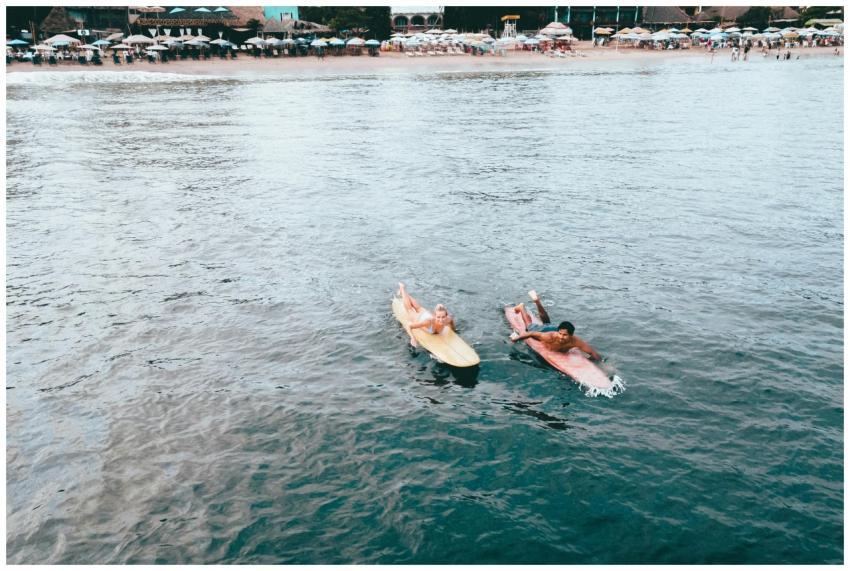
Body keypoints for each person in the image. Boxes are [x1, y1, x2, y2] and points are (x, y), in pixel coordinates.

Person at [509, 290, 602, 361]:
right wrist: (516, 339)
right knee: (529, 326)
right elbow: (531, 334)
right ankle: (522, 307)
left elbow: (592, 352)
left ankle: (537, 302)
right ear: (559, 331)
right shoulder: (548, 337)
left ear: (571, 335)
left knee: (547, 323)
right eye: (561, 334)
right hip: (545, 331)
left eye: (565, 335)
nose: (561, 337)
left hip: (554, 329)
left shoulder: (576, 341)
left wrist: (600, 363)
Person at [397, 283, 456, 347]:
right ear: (434, 316)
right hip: (419, 318)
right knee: (409, 309)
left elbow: (451, 321)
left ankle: (405, 293)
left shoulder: (448, 319)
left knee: (418, 308)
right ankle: (402, 288)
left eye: (443, 317)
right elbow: (409, 326)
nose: (441, 320)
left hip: (426, 314)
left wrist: (453, 331)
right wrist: (413, 338)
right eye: (438, 317)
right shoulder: (428, 322)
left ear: (446, 316)